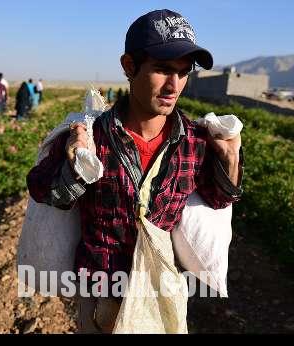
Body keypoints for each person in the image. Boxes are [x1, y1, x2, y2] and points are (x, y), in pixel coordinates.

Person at [27, 9, 243, 333]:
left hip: (161, 291)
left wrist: (230, 160)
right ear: (129, 66)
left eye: (184, 73)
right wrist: (72, 168)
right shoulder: (91, 136)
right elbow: (42, 189)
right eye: (163, 69)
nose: (174, 85)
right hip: (102, 292)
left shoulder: (194, 143)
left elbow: (218, 197)